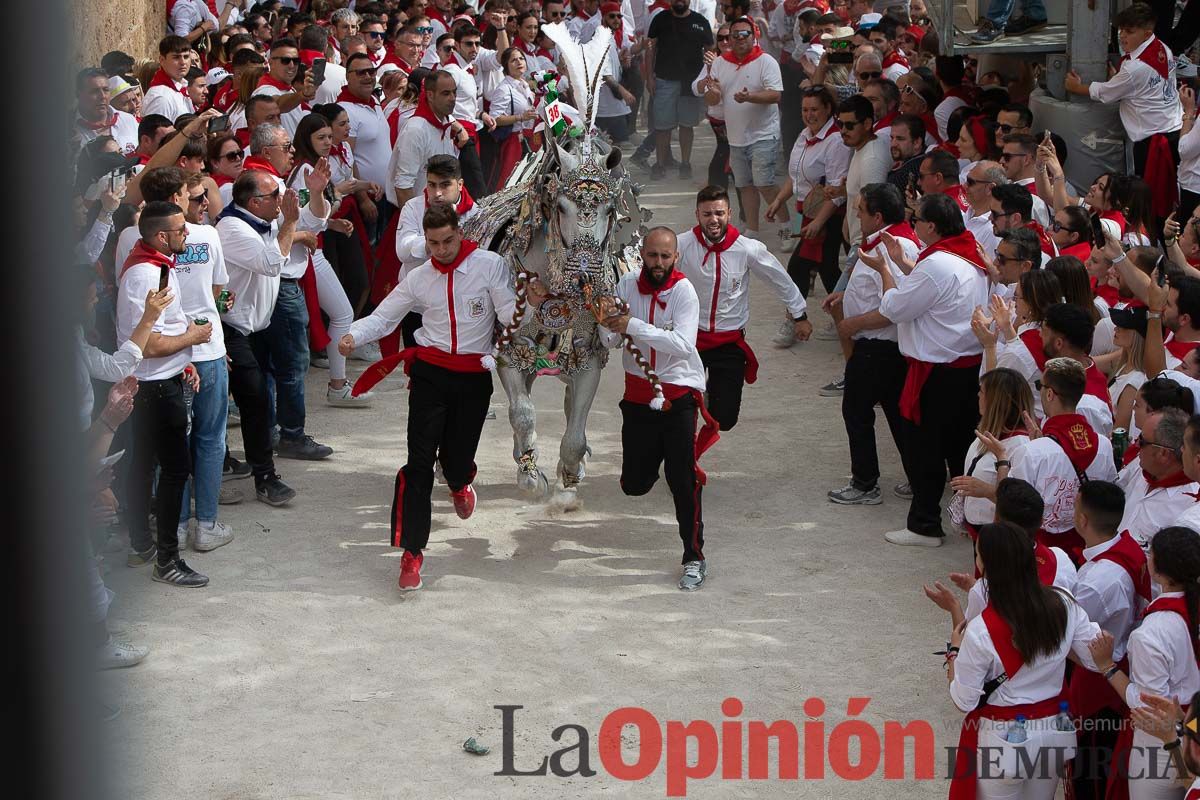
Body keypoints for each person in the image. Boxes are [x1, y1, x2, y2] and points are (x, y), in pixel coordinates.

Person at [339, 204, 533, 591]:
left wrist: (529, 302)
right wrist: (353, 335)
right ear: (425, 241)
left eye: (447, 240)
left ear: (459, 232)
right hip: (430, 374)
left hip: (474, 376)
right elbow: (384, 317)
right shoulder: (418, 278)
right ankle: (412, 553)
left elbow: (513, 317)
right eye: (433, 243)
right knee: (418, 464)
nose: (441, 250)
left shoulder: (489, 265)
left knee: (457, 462)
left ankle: (460, 482)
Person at [859, 193, 989, 547]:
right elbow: (935, 294)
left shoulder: (937, 264)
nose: (912, 225)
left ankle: (925, 524)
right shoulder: (968, 255)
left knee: (924, 450)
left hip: (935, 372)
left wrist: (886, 269)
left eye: (916, 220)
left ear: (932, 226)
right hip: (965, 368)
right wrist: (903, 264)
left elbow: (895, 307)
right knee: (959, 447)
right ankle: (970, 519)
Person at [935, 522, 1102, 799]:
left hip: (1005, 739)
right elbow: (1094, 656)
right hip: (1055, 731)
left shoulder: (981, 629)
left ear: (986, 565)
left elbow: (964, 700)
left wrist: (954, 650)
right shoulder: (1064, 602)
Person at [594, 227, 721, 590]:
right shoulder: (626, 286)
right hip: (636, 398)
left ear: (676, 257)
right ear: (642, 255)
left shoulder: (684, 292)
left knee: (682, 480)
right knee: (634, 485)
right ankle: (662, 463)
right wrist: (605, 322)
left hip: (678, 397)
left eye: (666, 256)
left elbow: (682, 345)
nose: (659, 263)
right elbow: (611, 340)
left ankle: (694, 557)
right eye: (653, 256)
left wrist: (632, 324)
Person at [117, 201, 211, 587]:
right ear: (160, 236)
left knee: (141, 466)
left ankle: (142, 545)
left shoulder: (156, 266)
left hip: (159, 382)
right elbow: (147, 345)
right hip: (155, 389)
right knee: (174, 470)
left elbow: (159, 331)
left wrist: (184, 360)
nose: (187, 234)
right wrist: (193, 339)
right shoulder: (145, 276)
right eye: (180, 230)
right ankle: (167, 561)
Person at [677, 185, 810, 432]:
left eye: (719, 213)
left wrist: (799, 315)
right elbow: (654, 271)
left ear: (729, 213)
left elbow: (779, 278)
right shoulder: (681, 244)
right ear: (697, 215)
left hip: (728, 344)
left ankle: (708, 400)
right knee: (680, 413)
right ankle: (684, 461)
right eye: (707, 214)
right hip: (689, 341)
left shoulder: (746, 248)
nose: (713, 220)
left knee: (724, 419)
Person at [827, 183, 921, 506]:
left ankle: (865, 483)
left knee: (856, 411)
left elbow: (893, 307)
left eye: (861, 210)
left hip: (877, 348)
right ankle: (918, 476)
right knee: (897, 415)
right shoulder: (891, 242)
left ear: (877, 217)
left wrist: (851, 323)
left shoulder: (891, 248)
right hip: (884, 349)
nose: (857, 214)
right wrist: (846, 296)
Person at [1089, 526, 1200, 800]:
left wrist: (1107, 666)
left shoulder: (1151, 633)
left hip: (1163, 742)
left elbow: (1147, 706)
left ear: (1159, 571)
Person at [214, 170, 299, 509]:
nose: (281, 200)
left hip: (257, 326)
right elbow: (269, 262)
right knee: (253, 400)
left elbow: (316, 222)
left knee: (259, 399)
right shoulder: (232, 228)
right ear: (254, 202)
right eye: (274, 195)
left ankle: (247, 465)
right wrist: (291, 223)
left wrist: (317, 195)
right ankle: (265, 476)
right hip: (230, 328)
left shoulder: (266, 219)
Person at [287, 113, 373, 409]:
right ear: (306, 140)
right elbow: (297, 214)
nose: (327, 142)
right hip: (308, 253)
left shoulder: (308, 167)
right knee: (342, 313)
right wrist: (333, 200)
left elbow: (310, 215)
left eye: (328, 136)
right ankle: (337, 385)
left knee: (341, 313)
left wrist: (331, 223)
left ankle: (338, 383)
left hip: (313, 248)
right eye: (320, 137)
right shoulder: (305, 169)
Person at [1069, 479, 1148, 800]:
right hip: (1116, 664)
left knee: (1090, 768)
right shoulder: (1127, 546)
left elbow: (1065, 633)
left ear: (1082, 520)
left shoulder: (1096, 582)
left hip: (1098, 682)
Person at [1066, 3, 1182, 209]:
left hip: (1153, 142)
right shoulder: (1163, 48)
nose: (1122, 36)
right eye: (1121, 30)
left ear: (1147, 33)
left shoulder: (1133, 69)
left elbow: (1105, 93)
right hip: (1174, 129)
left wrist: (1076, 87)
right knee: (1170, 193)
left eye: (1129, 31)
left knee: (1150, 200)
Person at [766, 86, 851, 340]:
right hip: (807, 214)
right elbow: (796, 177)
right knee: (827, 269)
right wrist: (779, 200)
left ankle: (795, 321)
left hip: (828, 217)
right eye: (805, 109)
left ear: (828, 109)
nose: (809, 114)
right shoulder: (804, 135)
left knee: (798, 267)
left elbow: (837, 191)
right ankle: (843, 321)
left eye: (815, 109)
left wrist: (818, 223)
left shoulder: (836, 141)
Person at [696, 16, 784, 235]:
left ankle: (786, 226)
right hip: (735, 136)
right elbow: (711, 99)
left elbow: (775, 95)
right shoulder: (720, 62)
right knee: (745, 185)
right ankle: (753, 229)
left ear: (753, 37)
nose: (738, 39)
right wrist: (712, 93)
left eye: (744, 34)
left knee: (764, 183)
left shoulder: (766, 61)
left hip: (764, 133)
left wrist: (750, 97)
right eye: (734, 35)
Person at [391, 155, 480, 352]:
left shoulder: (476, 215)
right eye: (431, 185)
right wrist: (434, 242)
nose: (437, 193)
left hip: (457, 309)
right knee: (417, 370)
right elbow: (402, 251)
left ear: (460, 184)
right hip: (417, 307)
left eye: (445, 185)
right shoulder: (413, 208)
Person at [941, 369, 1035, 533]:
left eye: (982, 391)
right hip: (978, 528)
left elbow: (1021, 505)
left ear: (994, 401)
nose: (977, 395)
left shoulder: (1021, 446)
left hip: (998, 533)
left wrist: (986, 491)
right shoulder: (988, 433)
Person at [646, 0, 714, 181]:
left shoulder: (701, 22)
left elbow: (710, 51)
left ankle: (685, 163)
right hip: (664, 80)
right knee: (662, 127)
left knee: (686, 125)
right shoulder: (660, 19)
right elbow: (650, 48)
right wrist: (649, 77)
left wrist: (709, 78)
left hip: (691, 84)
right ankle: (660, 164)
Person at [387, 70, 469, 212]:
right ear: (430, 95)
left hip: (441, 216)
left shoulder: (446, 122)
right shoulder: (416, 130)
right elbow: (403, 187)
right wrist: (420, 226)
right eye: (446, 93)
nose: (453, 98)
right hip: (421, 219)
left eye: (454, 92)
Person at [1118, 408, 1199, 550]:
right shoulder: (1139, 466)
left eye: (1142, 441)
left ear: (1163, 453)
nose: (1136, 445)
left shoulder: (1190, 504)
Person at [441, 25, 507, 199]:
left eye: (477, 44)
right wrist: (458, 129)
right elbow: (436, 105)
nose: (474, 49)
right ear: (456, 44)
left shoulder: (466, 69)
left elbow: (463, 104)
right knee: (476, 187)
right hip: (459, 136)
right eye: (469, 44)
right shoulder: (451, 71)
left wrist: (481, 114)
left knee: (472, 186)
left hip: (471, 129)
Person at [337, 53, 393, 235]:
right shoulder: (346, 109)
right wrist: (362, 199)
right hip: (367, 199)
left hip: (385, 195)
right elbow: (346, 157)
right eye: (361, 73)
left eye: (371, 71)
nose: (368, 77)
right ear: (348, 76)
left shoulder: (374, 101)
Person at [487, 47, 541, 186]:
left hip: (527, 140)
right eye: (513, 60)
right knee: (507, 183)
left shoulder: (524, 84)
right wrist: (520, 117)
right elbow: (495, 119)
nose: (519, 62)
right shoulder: (504, 89)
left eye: (521, 58)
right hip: (511, 143)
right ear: (506, 66)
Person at [254, 37, 318, 136]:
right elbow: (277, 105)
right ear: (271, 63)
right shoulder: (264, 90)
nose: (292, 65)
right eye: (285, 60)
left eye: (296, 60)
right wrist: (302, 94)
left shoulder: (289, 89)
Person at [72, 68, 139, 157]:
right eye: (94, 91)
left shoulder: (128, 120)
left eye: (106, 90)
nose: (102, 96)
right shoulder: (68, 128)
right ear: (78, 94)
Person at [1109, 305, 1150, 433]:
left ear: (1136, 334)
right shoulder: (1124, 365)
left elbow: (1120, 432)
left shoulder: (1135, 381)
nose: (1116, 328)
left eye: (1122, 326)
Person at [142, 35, 197, 123]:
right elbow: (157, 135)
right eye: (176, 57)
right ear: (162, 60)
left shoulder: (180, 87)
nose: (183, 62)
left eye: (186, 57)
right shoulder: (160, 98)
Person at [962, 160, 1004, 257]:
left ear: (990, 188)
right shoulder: (967, 213)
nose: (965, 186)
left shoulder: (993, 230)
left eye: (970, 182)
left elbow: (992, 270)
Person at [884, 114, 926, 196]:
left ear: (917, 142)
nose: (893, 144)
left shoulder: (905, 174)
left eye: (900, 139)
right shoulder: (926, 160)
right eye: (892, 138)